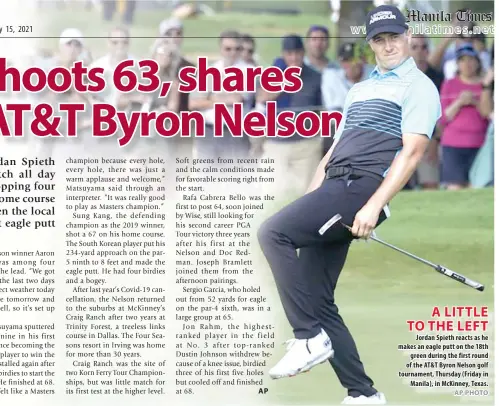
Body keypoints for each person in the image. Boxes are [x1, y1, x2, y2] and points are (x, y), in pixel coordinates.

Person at [257, 5, 441, 405]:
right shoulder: (359, 89)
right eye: (379, 39)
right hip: (336, 186)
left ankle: (308, 338)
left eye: (394, 36)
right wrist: (312, 199)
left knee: (272, 232)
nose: (388, 45)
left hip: (360, 186)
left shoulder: (419, 87)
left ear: (407, 36)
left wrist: (374, 206)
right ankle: (364, 394)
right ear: (370, 45)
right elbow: (332, 151)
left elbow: (410, 155)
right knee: (319, 298)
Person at [255, 35, 323, 198]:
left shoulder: (315, 76)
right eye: (289, 54)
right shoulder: (272, 73)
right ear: (283, 54)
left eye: (297, 53)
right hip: (276, 143)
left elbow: (321, 109)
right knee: (271, 192)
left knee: (308, 193)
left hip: (306, 143)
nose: (293, 58)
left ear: (303, 53)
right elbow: (261, 99)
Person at [439, 44, 489, 190]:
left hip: (480, 144)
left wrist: (474, 102)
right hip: (453, 145)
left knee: (478, 187)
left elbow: (489, 115)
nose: (467, 64)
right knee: (455, 188)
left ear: (477, 62)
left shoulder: (485, 85)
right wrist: (459, 102)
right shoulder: (449, 84)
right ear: (458, 64)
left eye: (471, 59)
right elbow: (443, 117)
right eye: (463, 60)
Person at [409, 34, 444, 189]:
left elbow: (440, 113)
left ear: (428, 51)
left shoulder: (438, 77)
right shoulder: (398, 77)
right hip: (402, 138)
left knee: (430, 184)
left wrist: (435, 141)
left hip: (429, 138)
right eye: (414, 47)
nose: (419, 51)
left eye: (423, 47)